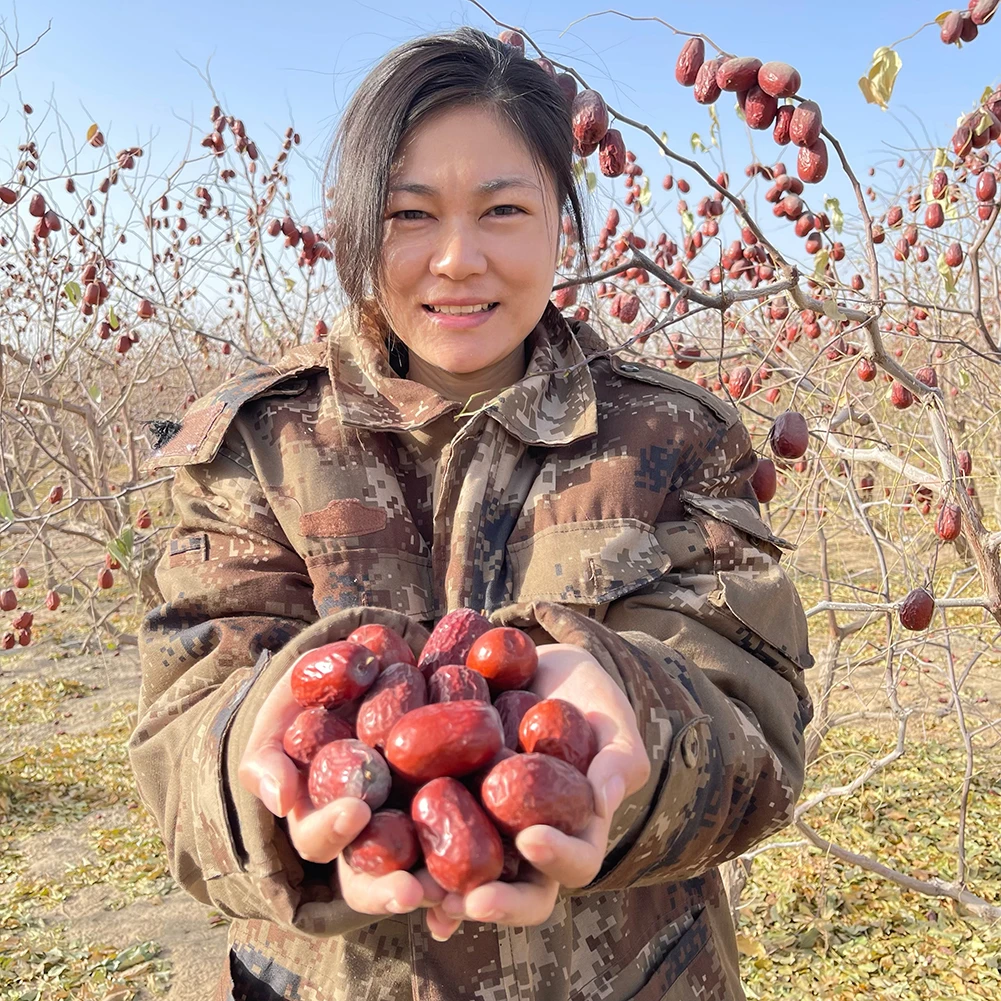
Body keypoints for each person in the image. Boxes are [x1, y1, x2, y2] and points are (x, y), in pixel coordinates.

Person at [129, 26, 814, 1001]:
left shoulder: (671, 437)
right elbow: (175, 742)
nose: (457, 259)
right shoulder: (255, 446)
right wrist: (252, 751)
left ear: (558, 226)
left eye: (501, 209)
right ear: (359, 229)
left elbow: (760, 727)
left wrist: (634, 736)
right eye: (411, 215)